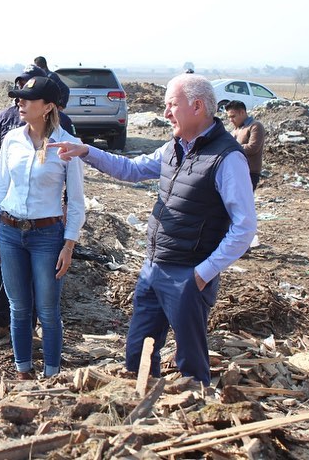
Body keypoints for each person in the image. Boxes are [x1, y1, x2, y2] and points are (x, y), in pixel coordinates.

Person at [49, 73, 256, 385]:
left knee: (190, 364)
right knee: (138, 354)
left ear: (197, 106)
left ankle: (193, 414)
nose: (165, 113)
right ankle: (145, 411)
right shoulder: (174, 148)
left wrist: (203, 273)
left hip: (188, 274)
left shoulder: (227, 159)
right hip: (153, 267)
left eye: (171, 105)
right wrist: (85, 151)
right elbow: (131, 169)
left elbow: (244, 227)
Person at [0, 76, 85, 379]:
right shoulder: (12, 139)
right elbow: (0, 187)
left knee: (47, 310)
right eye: (19, 99)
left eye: (28, 99)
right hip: (10, 232)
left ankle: (51, 375)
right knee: (18, 307)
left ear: (48, 107)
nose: (20, 103)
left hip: (47, 236)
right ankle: (23, 371)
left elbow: (77, 202)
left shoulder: (68, 146)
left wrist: (69, 246)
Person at [0, 66, 76, 342]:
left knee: (42, 280)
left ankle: (35, 329)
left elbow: (71, 176)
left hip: (44, 221)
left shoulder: (62, 127)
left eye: (28, 93)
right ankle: (0, 323)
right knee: (2, 269)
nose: (21, 100)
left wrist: (66, 212)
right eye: (20, 91)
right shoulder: (6, 119)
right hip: (9, 216)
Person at [224, 100, 266, 190]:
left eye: (233, 116)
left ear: (242, 112)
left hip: (249, 173)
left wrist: (230, 148)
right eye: (229, 117)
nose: (231, 120)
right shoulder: (236, 128)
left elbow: (253, 147)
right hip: (235, 171)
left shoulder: (255, 126)